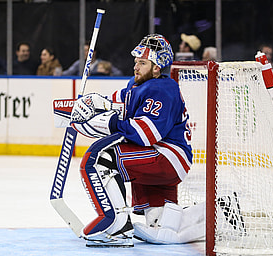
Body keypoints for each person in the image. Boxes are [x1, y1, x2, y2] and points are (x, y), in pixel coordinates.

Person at [69, 34, 205, 247]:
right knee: (159, 222)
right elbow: (117, 103)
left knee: (100, 159)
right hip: (161, 156)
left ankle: (116, 226)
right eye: (136, 62)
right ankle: (216, 214)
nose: (136, 67)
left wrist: (108, 122)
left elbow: (145, 134)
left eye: (142, 63)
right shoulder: (138, 84)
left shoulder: (163, 90)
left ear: (157, 67)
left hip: (167, 157)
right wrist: (87, 105)